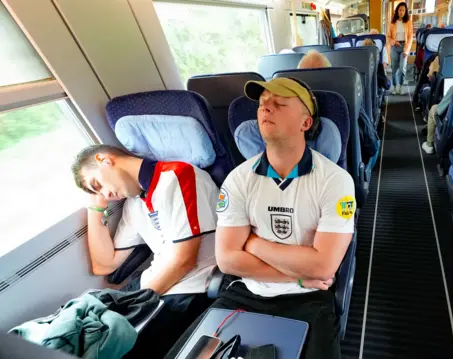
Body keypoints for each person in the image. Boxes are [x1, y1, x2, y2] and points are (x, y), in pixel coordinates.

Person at [166, 77, 356, 359]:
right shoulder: (239, 180)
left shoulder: (335, 181)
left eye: (279, 103)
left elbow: (323, 266)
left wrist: (252, 243)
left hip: (309, 298)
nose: (266, 108)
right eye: (263, 104)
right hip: (247, 291)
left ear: (306, 123)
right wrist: (301, 276)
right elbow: (228, 260)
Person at [71, 144, 218, 357]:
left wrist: (133, 304)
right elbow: (104, 264)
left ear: (104, 159)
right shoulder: (134, 203)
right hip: (153, 287)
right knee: (82, 329)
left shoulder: (177, 177)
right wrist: (96, 207)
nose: (107, 195)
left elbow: (183, 261)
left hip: (188, 289)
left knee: (112, 348)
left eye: (97, 184)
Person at [422, 24, 453, 154]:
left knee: (434, 108)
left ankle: (429, 144)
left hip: (447, 97)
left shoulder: (442, 55)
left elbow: (430, 75)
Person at [386, 2, 413, 95]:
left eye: (403, 10)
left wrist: (406, 51)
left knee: (402, 68)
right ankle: (394, 87)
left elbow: (410, 38)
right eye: (400, 10)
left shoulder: (408, 22)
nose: (401, 12)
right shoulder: (392, 22)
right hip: (394, 47)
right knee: (394, 68)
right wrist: (394, 42)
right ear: (397, 11)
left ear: (405, 12)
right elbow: (388, 36)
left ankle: (401, 86)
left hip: (404, 46)